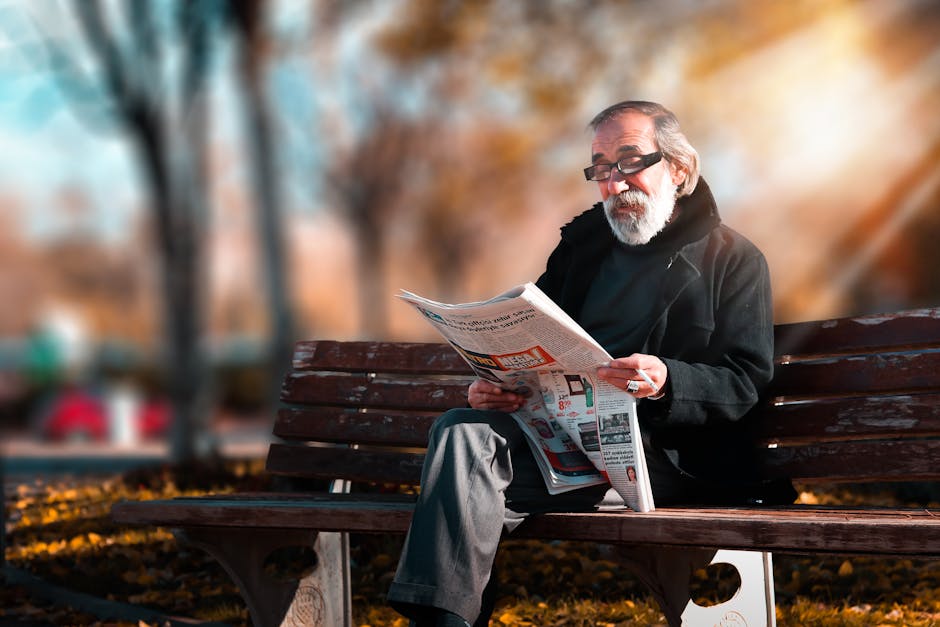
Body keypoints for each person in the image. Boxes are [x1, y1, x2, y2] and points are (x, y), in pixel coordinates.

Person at [387, 100, 795, 627]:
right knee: (463, 431)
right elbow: (531, 337)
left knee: (471, 486)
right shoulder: (580, 253)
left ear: (678, 168)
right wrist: (497, 385)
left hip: (666, 459)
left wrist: (668, 380)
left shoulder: (732, 259)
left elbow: (745, 382)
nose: (613, 181)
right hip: (567, 448)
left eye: (629, 161)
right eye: (600, 168)